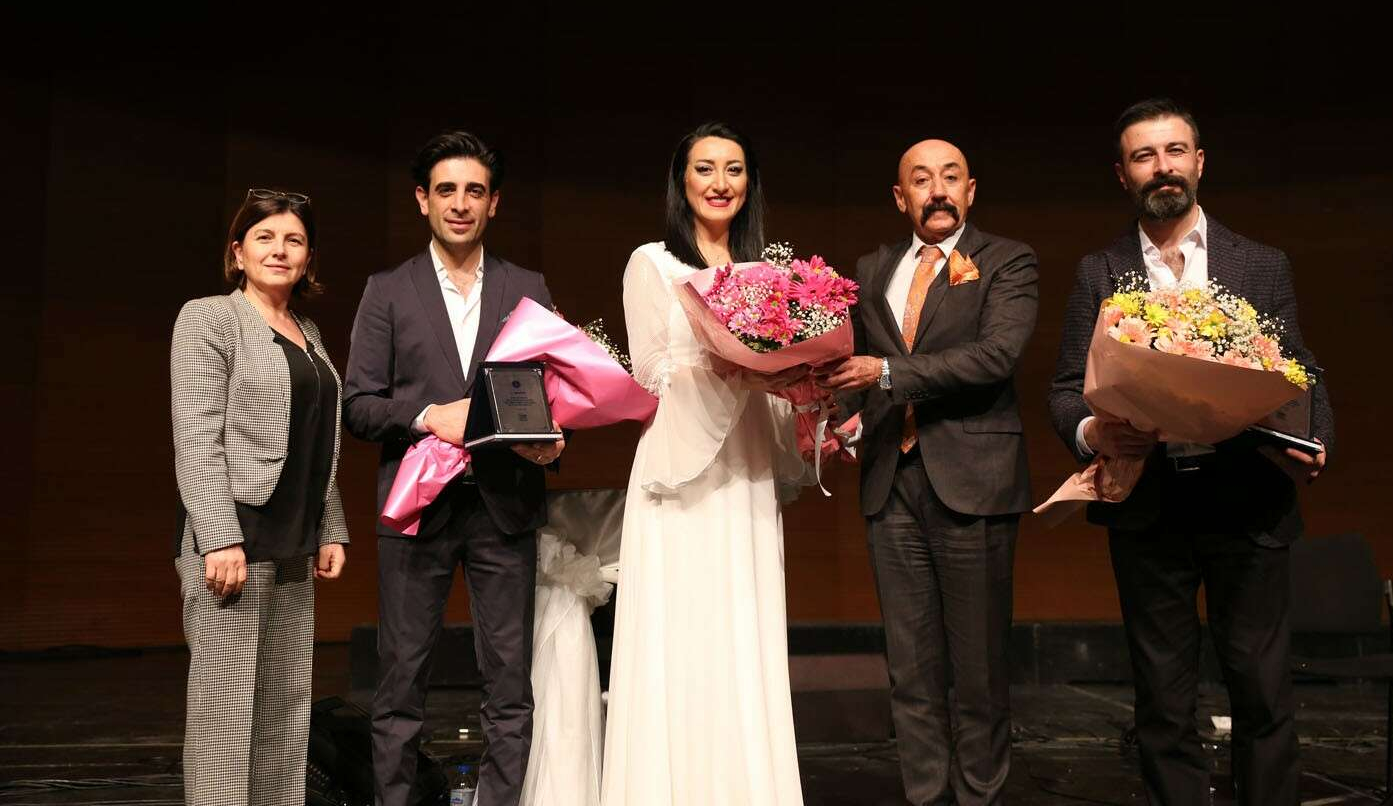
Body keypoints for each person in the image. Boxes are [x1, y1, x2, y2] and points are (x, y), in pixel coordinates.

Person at [1047, 98, 1333, 806]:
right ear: (1123, 175)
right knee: (1164, 701)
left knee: (1262, 691)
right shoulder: (1098, 271)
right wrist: (1093, 433)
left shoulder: (1261, 264)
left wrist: (1316, 436)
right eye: (1144, 156)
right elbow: (1064, 391)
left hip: (1249, 500)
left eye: (1175, 151)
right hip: (1151, 507)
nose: (1162, 167)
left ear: (1199, 162)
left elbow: (1299, 369)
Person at [344, 131, 563, 806]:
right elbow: (358, 404)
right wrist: (426, 415)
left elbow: (553, 394)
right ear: (423, 200)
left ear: (494, 203)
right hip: (418, 508)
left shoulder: (527, 287)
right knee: (400, 681)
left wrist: (551, 441)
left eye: (474, 191)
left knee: (509, 684)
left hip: (505, 506)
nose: (460, 204)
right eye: (446, 190)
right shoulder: (388, 290)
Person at [818, 140, 1038, 806]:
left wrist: (886, 373)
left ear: (970, 190)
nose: (936, 190)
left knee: (979, 670)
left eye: (949, 178)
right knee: (910, 668)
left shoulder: (1008, 260)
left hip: (975, 480)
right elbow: (856, 368)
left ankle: (978, 796)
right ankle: (924, 796)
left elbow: (995, 356)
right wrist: (834, 419)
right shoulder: (872, 268)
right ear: (900, 197)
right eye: (921, 180)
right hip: (891, 482)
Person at [600, 122, 813, 806]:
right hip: (680, 469)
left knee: (742, 632)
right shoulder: (651, 263)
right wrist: (732, 367)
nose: (720, 183)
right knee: (680, 635)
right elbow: (652, 374)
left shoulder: (770, 274)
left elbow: (784, 376)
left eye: (734, 169)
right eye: (705, 169)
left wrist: (803, 394)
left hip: (746, 469)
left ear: (750, 183)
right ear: (681, 181)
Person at [170, 188, 349, 806]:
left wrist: (331, 526)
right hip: (235, 542)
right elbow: (197, 438)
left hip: (294, 543)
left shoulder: (308, 331)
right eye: (265, 237)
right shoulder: (209, 319)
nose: (280, 249)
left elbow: (317, 439)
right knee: (225, 719)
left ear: (308, 258)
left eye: (294, 240)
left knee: (284, 714)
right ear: (237, 252)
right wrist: (219, 538)